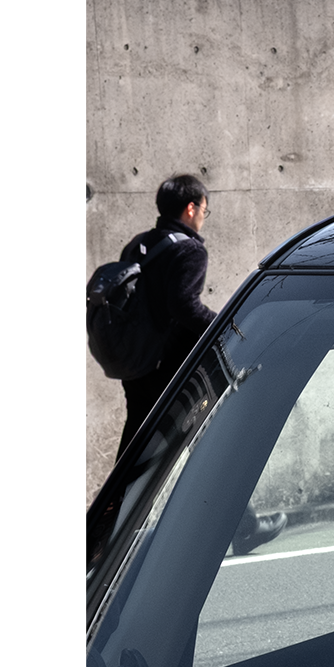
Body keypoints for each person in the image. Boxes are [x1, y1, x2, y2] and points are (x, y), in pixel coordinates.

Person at [111, 174, 218, 462]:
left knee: (136, 438)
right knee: (178, 444)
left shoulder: (137, 244)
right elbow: (184, 306)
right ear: (191, 208)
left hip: (134, 359)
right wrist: (224, 325)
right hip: (165, 364)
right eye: (204, 210)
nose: (203, 217)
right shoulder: (190, 249)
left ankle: (119, 491)